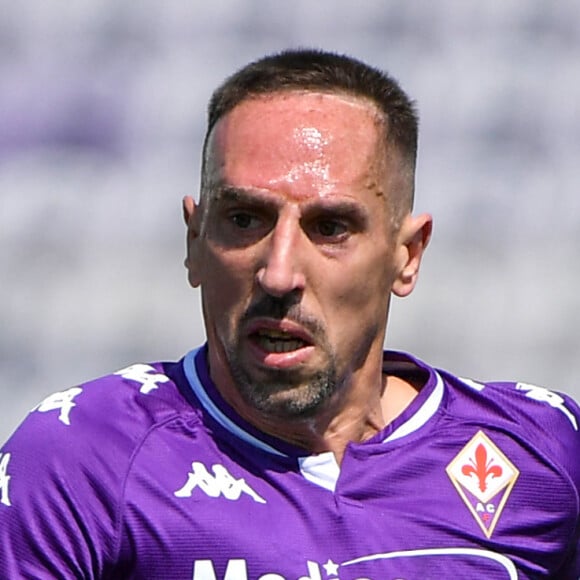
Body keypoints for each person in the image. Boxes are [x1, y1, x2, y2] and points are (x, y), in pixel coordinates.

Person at [0, 49, 578, 579]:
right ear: (195, 240)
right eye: (244, 220)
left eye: (330, 228)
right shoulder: (82, 460)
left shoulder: (543, 454)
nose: (278, 274)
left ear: (407, 256)